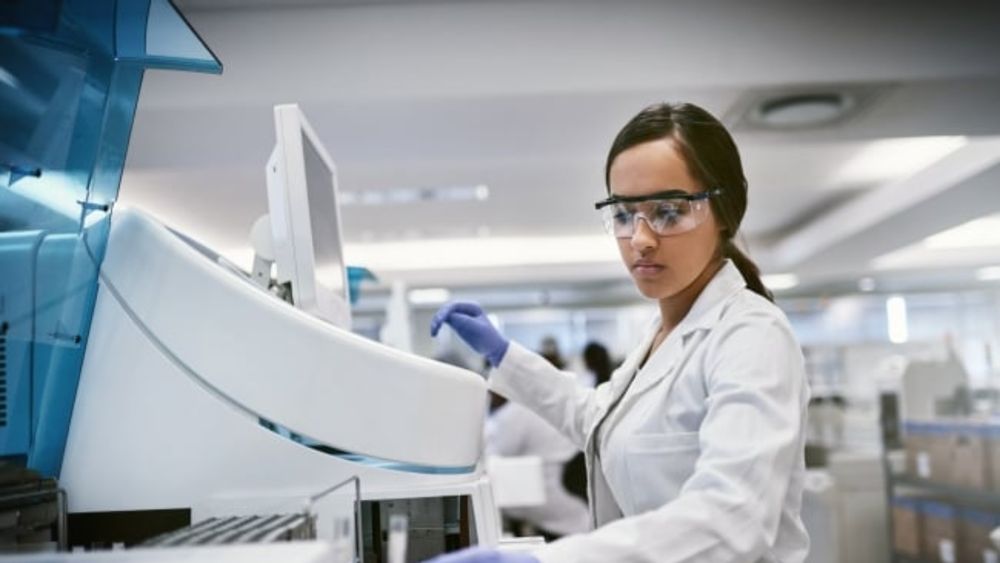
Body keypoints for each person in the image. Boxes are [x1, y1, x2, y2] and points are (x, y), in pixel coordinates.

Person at [427, 102, 810, 563]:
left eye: (669, 211)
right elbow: (598, 420)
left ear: (725, 210)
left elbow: (733, 519)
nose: (640, 239)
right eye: (624, 214)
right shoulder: (661, 336)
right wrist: (505, 354)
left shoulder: (752, 337)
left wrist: (544, 562)